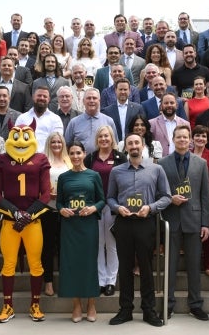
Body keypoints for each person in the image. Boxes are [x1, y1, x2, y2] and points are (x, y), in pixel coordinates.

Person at [106, 133, 171, 327]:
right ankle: (125, 309)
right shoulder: (116, 171)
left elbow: (166, 196)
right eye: (130, 143)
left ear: (143, 146)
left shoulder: (156, 169)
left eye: (137, 143)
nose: (134, 146)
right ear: (125, 147)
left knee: (146, 266)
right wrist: (118, 208)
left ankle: (148, 310)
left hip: (146, 223)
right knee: (124, 267)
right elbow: (110, 197)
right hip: (124, 223)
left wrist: (150, 208)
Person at [0, 124, 51, 323]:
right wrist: (16, 213)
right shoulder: (2, 160)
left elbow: (45, 194)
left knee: (36, 264)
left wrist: (28, 215)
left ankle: (36, 304)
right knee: (8, 264)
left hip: (32, 223)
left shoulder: (41, 159)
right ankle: (7, 306)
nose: (20, 140)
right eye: (16, 135)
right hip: (10, 222)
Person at [158, 125, 209, 321]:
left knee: (194, 265)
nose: (181, 140)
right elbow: (159, 192)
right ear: (173, 139)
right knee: (169, 265)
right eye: (178, 137)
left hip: (194, 220)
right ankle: (168, 305)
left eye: (184, 137)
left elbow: (205, 195)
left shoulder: (201, 163)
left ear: (189, 140)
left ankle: (195, 305)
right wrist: (171, 198)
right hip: (171, 219)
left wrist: (205, 223)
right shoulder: (162, 163)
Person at [57, 141, 105, 322]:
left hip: (88, 226)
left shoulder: (94, 175)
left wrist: (93, 209)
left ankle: (91, 304)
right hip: (70, 227)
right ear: (68, 155)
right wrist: (61, 210)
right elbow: (60, 202)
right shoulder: (63, 177)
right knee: (71, 265)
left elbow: (102, 200)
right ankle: (76, 305)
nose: (75, 156)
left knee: (89, 263)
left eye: (78, 153)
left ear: (84, 154)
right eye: (72, 153)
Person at [83, 126, 127, 298]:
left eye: (106, 136)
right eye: (100, 136)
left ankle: (111, 281)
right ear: (97, 139)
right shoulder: (91, 157)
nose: (103, 139)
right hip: (94, 205)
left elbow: (125, 180)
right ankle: (100, 280)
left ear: (112, 138)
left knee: (111, 244)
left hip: (112, 205)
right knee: (98, 243)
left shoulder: (119, 157)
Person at [39, 133, 71, 298]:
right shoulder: (43, 161)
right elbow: (36, 184)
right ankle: (49, 282)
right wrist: (44, 194)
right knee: (48, 248)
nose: (56, 144)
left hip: (66, 211)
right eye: (53, 142)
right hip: (48, 211)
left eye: (59, 141)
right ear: (48, 144)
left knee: (65, 248)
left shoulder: (69, 161)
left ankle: (66, 281)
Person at [191, 125, 209, 276]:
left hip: (207, 198)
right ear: (192, 138)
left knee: (207, 229)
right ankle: (193, 263)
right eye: (197, 135)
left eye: (203, 136)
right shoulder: (187, 153)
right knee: (192, 231)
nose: (200, 138)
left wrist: (202, 188)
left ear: (207, 139)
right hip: (189, 198)